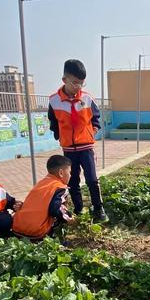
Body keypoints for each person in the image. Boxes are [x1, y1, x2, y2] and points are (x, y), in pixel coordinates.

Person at [48, 59, 107, 222]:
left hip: (86, 147)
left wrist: (92, 131)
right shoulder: (54, 100)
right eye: (75, 82)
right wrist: (59, 135)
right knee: (72, 181)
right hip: (68, 149)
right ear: (64, 80)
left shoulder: (87, 98)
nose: (78, 86)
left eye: (81, 83)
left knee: (92, 179)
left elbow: (96, 118)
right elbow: (53, 120)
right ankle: (80, 210)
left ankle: (98, 208)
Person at [12, 155, 74, 239]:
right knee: (61, 215)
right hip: (36, 232)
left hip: (17, 228)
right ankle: (56, 239)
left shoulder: (41, 183)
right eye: (70, 172)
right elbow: (55, 210)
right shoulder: (60, 187)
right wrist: (69, 218)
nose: (70, 175)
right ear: (61, 173)